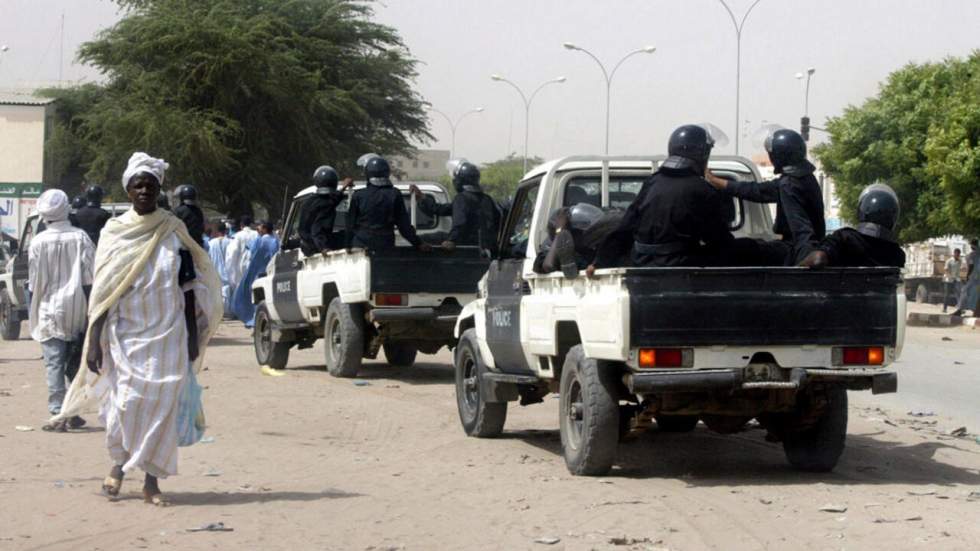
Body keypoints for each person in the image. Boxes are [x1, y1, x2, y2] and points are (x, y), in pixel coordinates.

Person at [53, 152, 222, 506]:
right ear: (128, 190)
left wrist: (193, 338)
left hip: (170, 335)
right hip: (124, 335)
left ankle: (151, 481)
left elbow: (189, 290)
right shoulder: (115, 233)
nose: (144, 190)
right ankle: (118, 465)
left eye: (150, 184)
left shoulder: (173, 231)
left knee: (161, 409)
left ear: (159, 189)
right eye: (138, 185)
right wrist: (95, 340)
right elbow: (102, 292)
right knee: (125, 404)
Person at [590, 124, 738, 271]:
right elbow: (718, 238)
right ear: (703, 154)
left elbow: (625, 226)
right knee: (753, 248)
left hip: (642, 263)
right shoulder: (702, 189)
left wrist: (599, 262)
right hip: (681, 265)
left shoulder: (652, 182)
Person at [706, 128, 825, 265]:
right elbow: (757, 190)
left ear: (778, 156)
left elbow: (802, 230)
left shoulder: (789, 184)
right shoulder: (803, 179)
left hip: (795, 251)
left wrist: (805, 262)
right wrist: (715, 180)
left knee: (741, 248)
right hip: (797, 248)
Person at [28, 189, 94, 432]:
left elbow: (34, 285)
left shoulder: (38, 242)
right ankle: (72, 410)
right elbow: (90, 279)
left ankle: (58, 412)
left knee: (54, 363)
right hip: (77, 308)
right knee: (74, 362)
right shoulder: (81, 238)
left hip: (48, 310)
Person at [800, 183, 905, 268]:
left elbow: (817, 259)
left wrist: (798, 266)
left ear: (862, 210)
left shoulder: (844, 239)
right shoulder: (897, 254)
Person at [410, 161, 501, 253]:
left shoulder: (461, 198)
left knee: (422, 238)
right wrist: (422, 197)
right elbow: (441, 209)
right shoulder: (487, 199)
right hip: (485, 245)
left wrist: (451, 240)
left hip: (466, 243)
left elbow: (460, 223)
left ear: (459, 180)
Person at [346, 155, 430, 252]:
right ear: (387, 173)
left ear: (367, 174)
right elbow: (404, 226)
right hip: (384, 246)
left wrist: (347, 246)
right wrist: (418, 243)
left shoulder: (358, 195)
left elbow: (350, 225)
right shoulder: (395, 194)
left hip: (360, 245)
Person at [533, 203, 603, 277]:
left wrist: (559, 231)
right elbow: (548, 265)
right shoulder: (549, 247)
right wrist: (560, 232)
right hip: (570, 256)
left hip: (578, 257)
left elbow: (548, 265)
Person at [231, 221, 279, 327]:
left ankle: (255, 320)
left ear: (265, 228)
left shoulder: (260, 241)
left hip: (257, 271)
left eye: (260, 226)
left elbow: (253, 253)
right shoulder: (275, 240)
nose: (258, 228)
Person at [298, 165, 352, 256]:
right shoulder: (326, 203)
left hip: (308, 247)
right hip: (317, 247)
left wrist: (343, 188)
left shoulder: (308, 202)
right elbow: (317, 229)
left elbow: (334, 199)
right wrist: (323, 247)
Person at [225, 215, 257, 297]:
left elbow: (232, 254)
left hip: (241, 270)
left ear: (241, 225)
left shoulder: (237, 236)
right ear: (251, 224)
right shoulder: (257, 235)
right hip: (255, 268)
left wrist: (231, 274)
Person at [207, 221, 233, 315]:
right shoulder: (231, 242)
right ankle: (228, 311)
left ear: (217, 231)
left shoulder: (211, 243)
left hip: (215, 271)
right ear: (226, 231)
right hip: (228, 272)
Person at [951, 239, 979, 317]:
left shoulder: (971, 255)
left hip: (974, 277)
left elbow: (971, 265)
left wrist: (968, 276)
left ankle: (960, 310)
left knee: (964, 291)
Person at [943, 248, 963, 313]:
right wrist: (950, 276)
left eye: (958, 254)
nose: (957, 255)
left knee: (958, 293)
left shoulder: (960, 261)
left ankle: (960, 308)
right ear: (954, 253)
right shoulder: (949, 261)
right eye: (956, 254)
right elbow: (946, 270)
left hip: (956, 279)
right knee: (947, 294)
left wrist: (958, 278)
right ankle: (944, 308)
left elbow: (958, 270)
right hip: (948, 280)